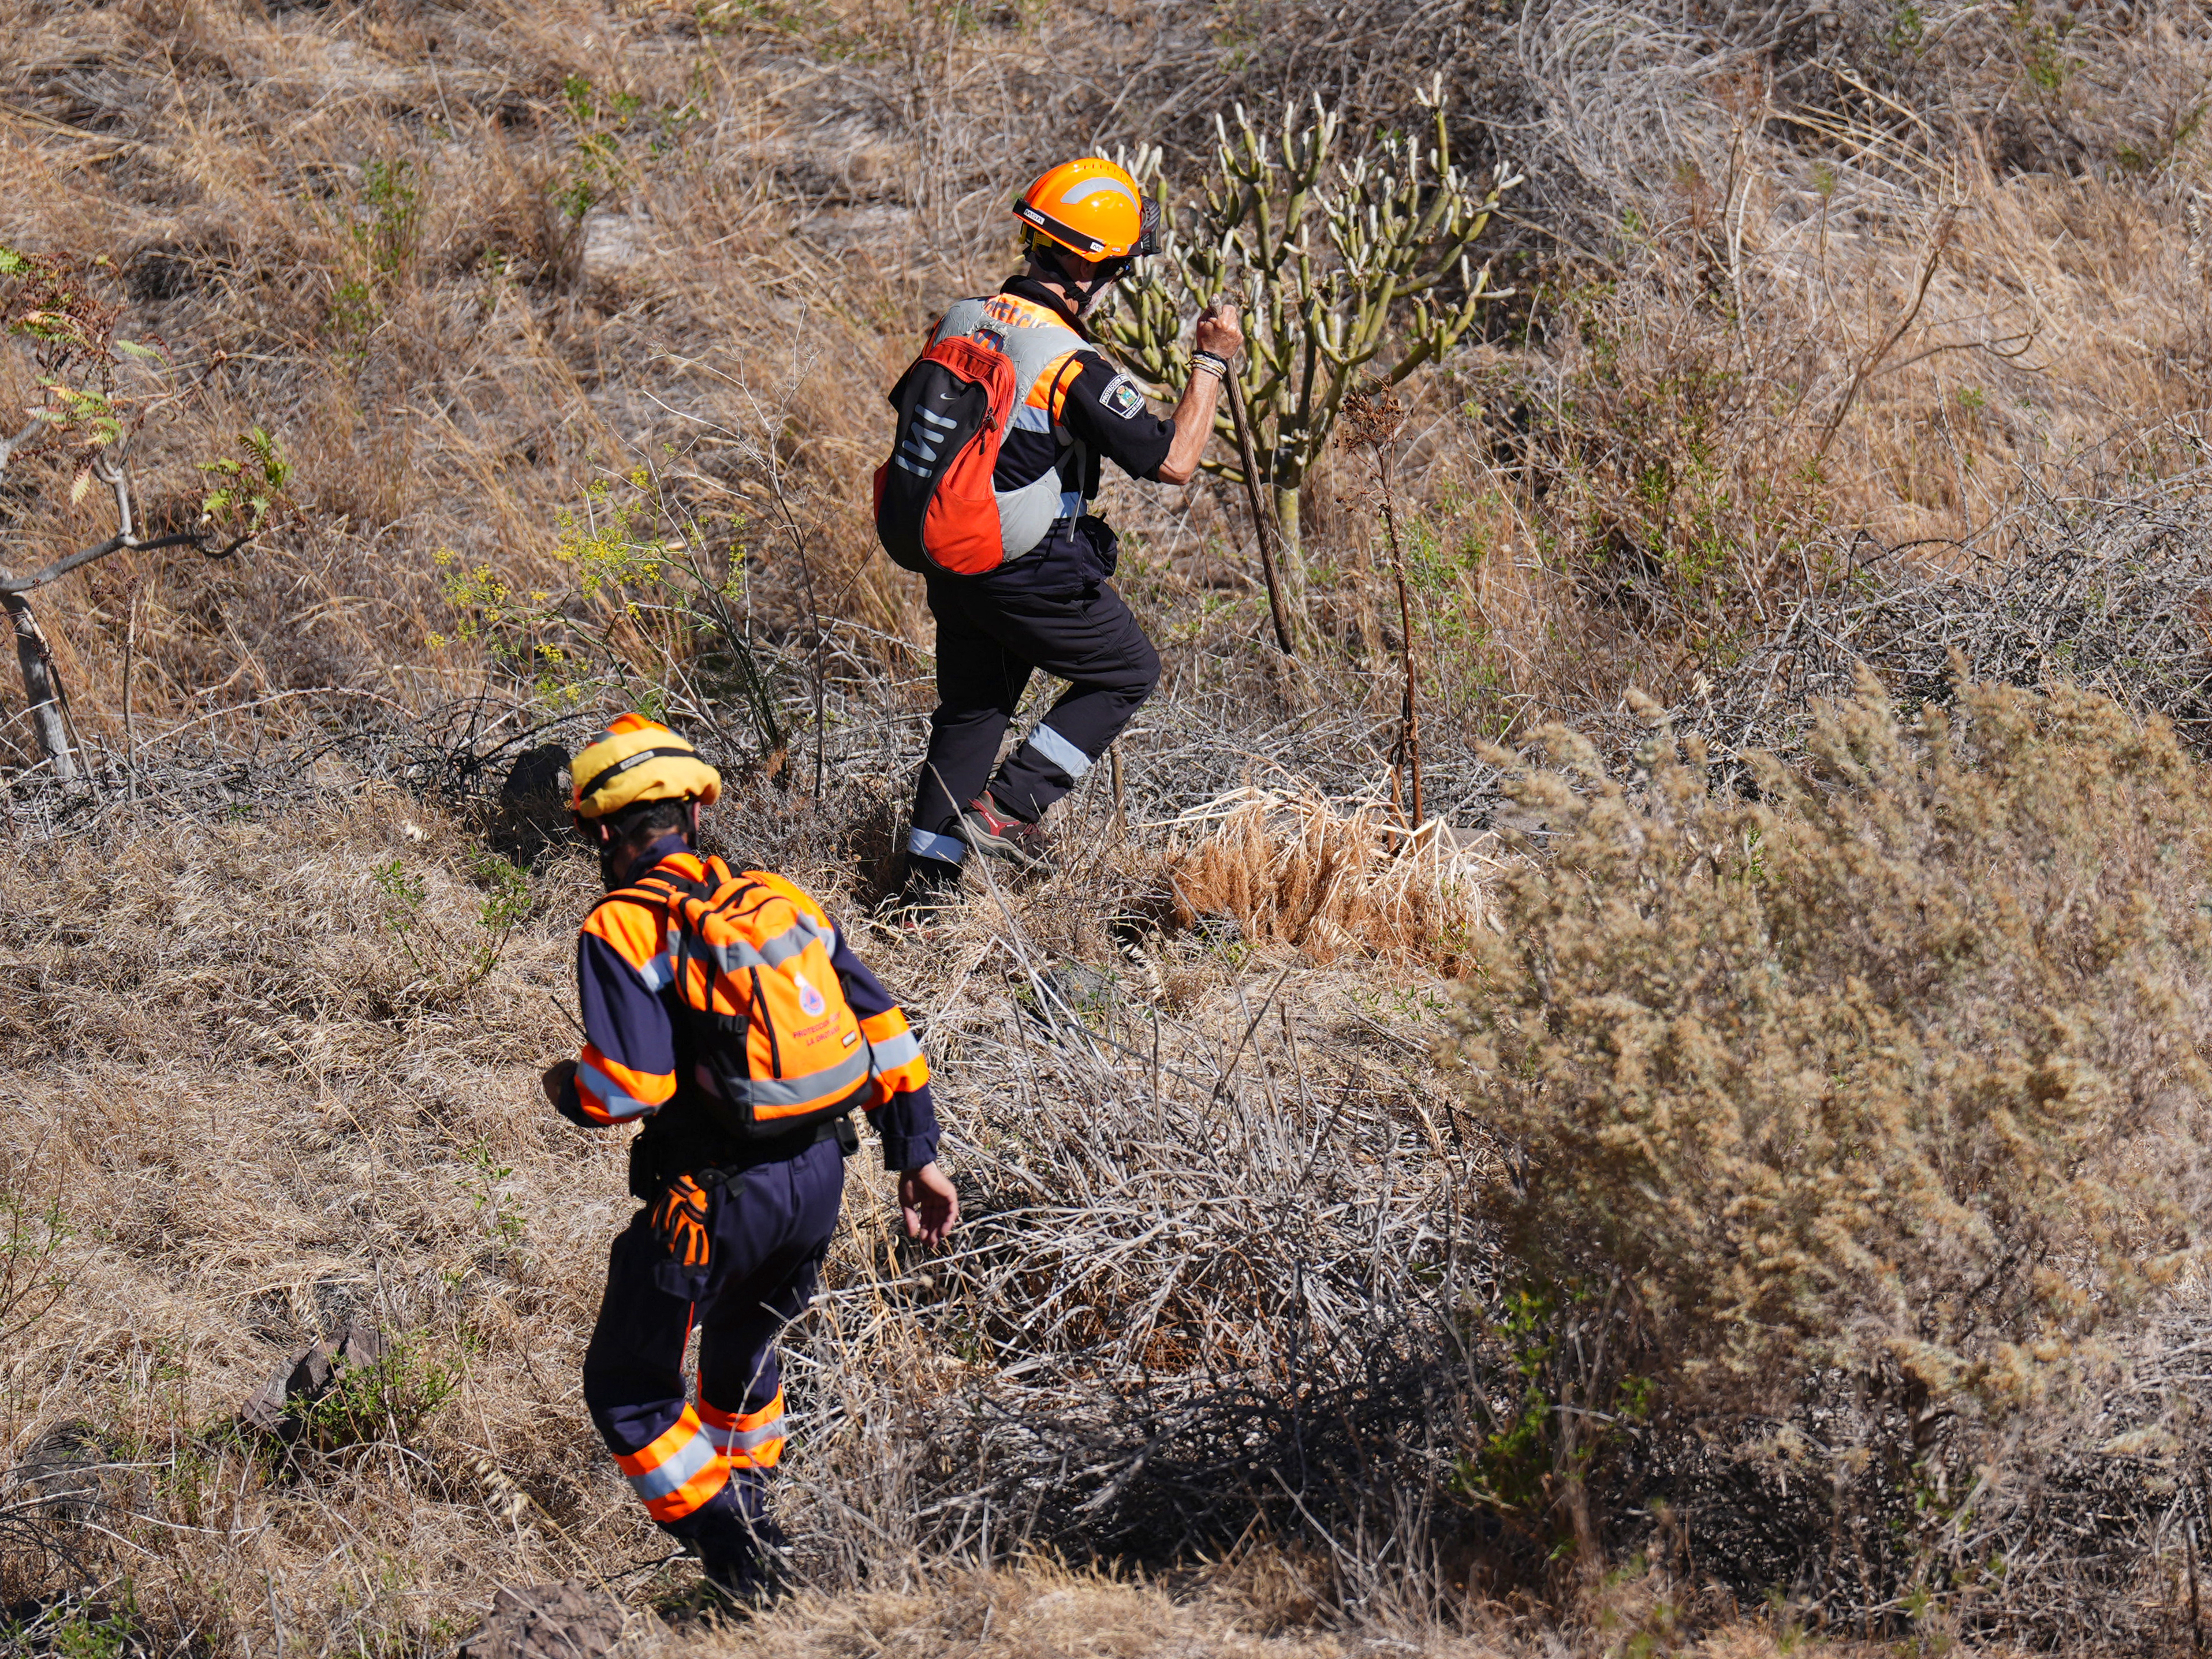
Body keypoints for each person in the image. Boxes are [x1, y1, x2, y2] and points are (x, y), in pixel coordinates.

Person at [539, 713, 959, 1601]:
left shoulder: (623, 926)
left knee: (629, 1386)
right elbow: (884, 1024)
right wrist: (918, 1154)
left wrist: (564, 1087)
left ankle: (747, 1562)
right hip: (821, 1182)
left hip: (712, 1199)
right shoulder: (781, 897)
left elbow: (629, 1086)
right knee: (742, 1355)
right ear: (693, 814)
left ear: (607, 832)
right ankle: (761, 1537)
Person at [894, 156, 1244, 910]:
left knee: (972, 715)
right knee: (1125, 672)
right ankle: (1009, 811)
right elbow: (1174, 460)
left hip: (953, 560)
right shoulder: (1068, 361)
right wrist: (1211, 363)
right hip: (1023, 565)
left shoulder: (959, 318)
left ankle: (918, 903)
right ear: (1094, 268)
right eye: (1118, 267)